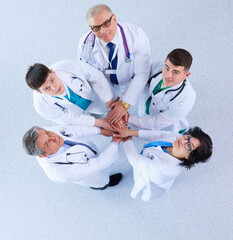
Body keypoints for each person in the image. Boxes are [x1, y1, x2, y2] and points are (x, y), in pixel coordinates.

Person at [78, 4, 151, 124]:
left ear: (115, 18)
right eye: (96, 28)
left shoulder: (136, 35)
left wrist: (124, 104)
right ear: (90, 28)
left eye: (106, 23)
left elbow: (142, 74)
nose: (103, 31)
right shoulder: (85, 44)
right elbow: (91, 77)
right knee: (99, 112)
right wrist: (111, 103)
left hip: (132, 77)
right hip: (104, 81)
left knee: (143, 112)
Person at [114, 126, 212, 201]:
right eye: (188, 137)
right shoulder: (179, 141)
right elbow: (160, 134)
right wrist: (130, 132)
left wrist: (127, 139)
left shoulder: (162, 169)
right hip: (150, 163)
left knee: (142, 186)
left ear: (189, 157)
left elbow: (134, 159)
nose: (183, 141)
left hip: (149, 178)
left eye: (189, 146)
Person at [22, 124, 122, 189]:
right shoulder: (60, 173)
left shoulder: (43, 134)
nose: (54, 137)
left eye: (48, 133)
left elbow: (72, 130)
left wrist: (100, 131)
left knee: (106, 160)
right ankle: (106, 184)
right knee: (103, 181)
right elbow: (100, 163)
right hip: (93, 175)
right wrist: (116, 140)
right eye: (47, 143)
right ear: (44, 155)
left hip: (91, 153)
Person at [26, 60, 114, 129]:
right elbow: (68, 119)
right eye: (47, 88)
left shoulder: (69, 67)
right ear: (40, 92)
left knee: (116, 107)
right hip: (78, 112)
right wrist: (100, 122)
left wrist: (110, 103)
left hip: (96, 91)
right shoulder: (42, 106)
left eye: (52, 80)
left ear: (53, 71)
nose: (54, 88)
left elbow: (97, 78)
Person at [128, 48, 196, 133]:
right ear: (164, 62)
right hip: (147, 109)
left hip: (167, 128)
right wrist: (124, 102)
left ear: (186, 75)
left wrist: (128, 118)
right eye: (167, 68)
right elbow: (139, 78)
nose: (168, 75)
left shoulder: (186, 100)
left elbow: (155, 123)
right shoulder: (158, 67)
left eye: (175, 72)